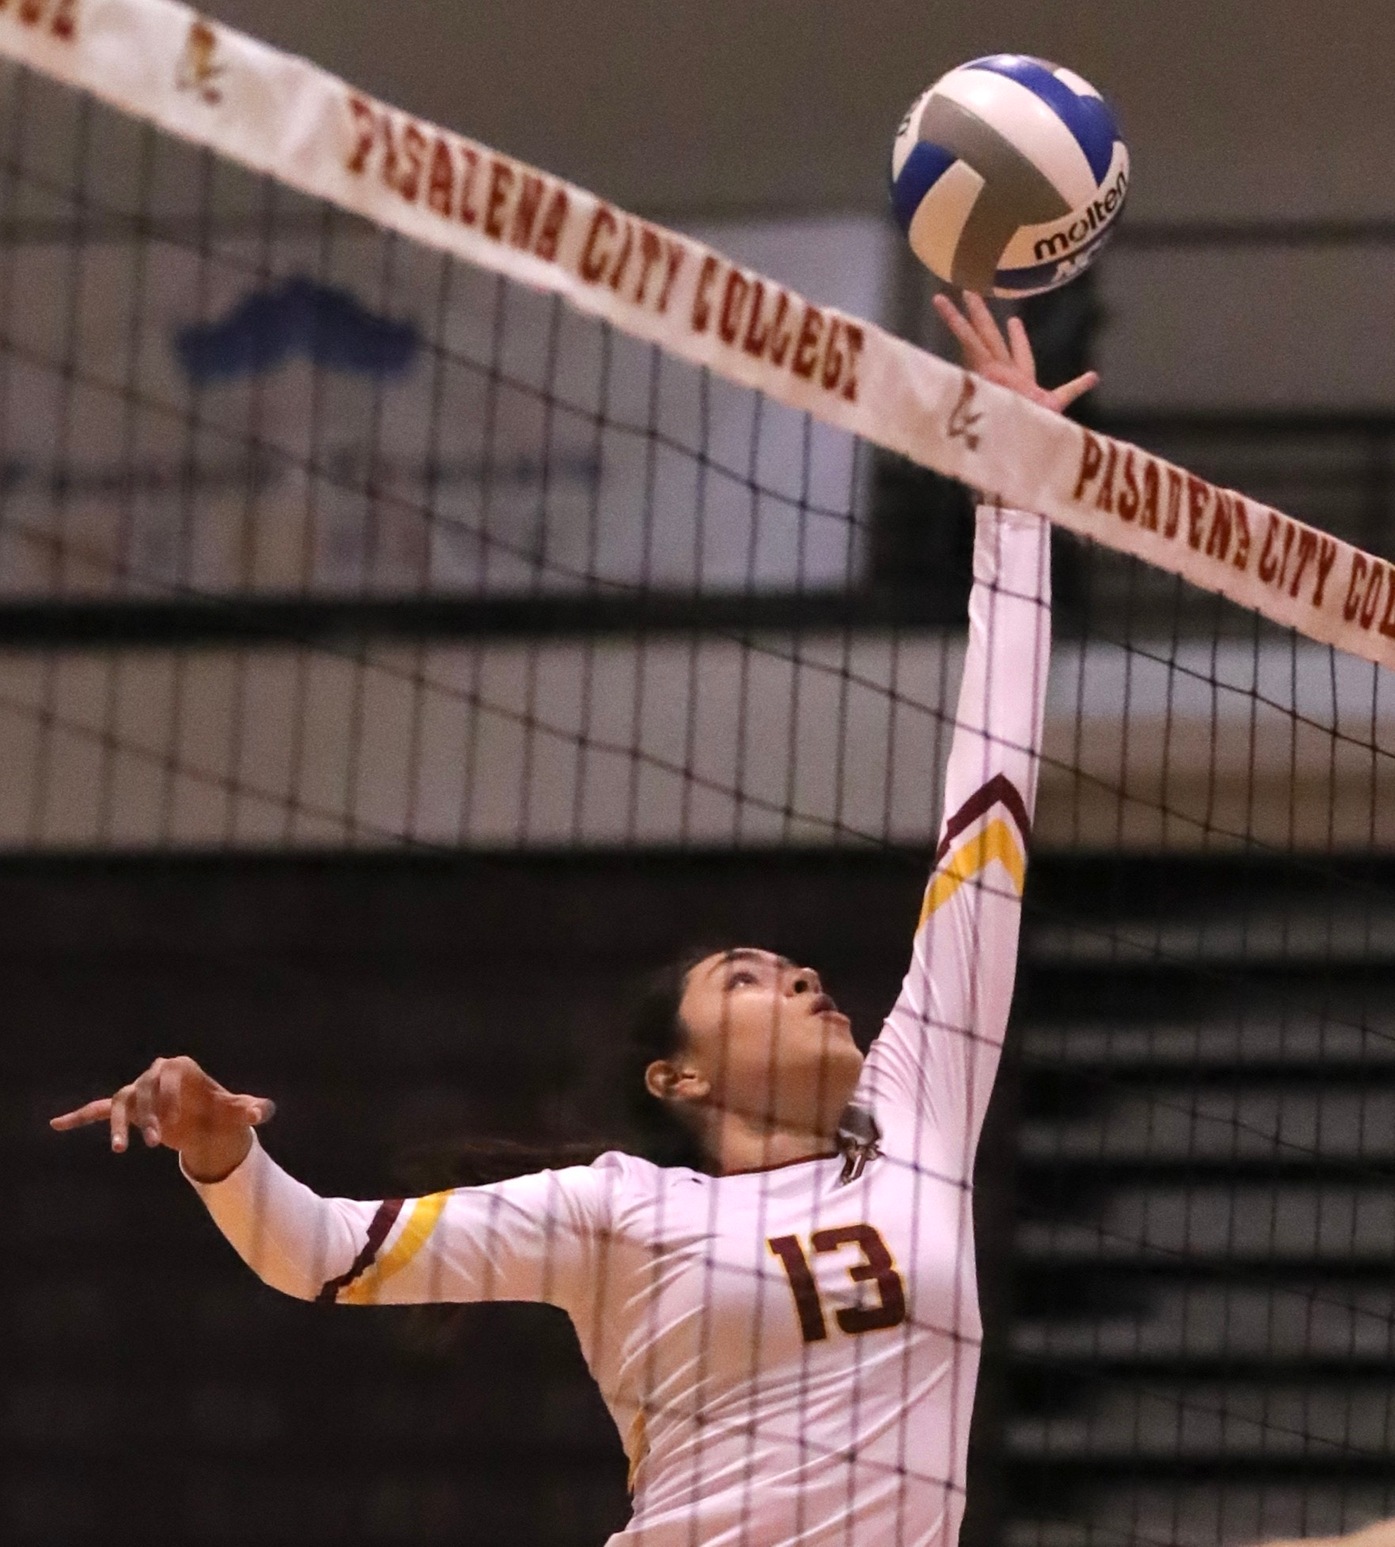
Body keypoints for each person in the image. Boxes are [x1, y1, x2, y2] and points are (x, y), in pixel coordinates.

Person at [52, 293, 1095, 1547]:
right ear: (680, 1072)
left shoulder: (919, 1113)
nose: (806, 974)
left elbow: (989, 819)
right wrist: (220, 1149)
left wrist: (1019, 507)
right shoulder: (616, 1210)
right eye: (751, 977)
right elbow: (321, 1249)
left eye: (789, 965)